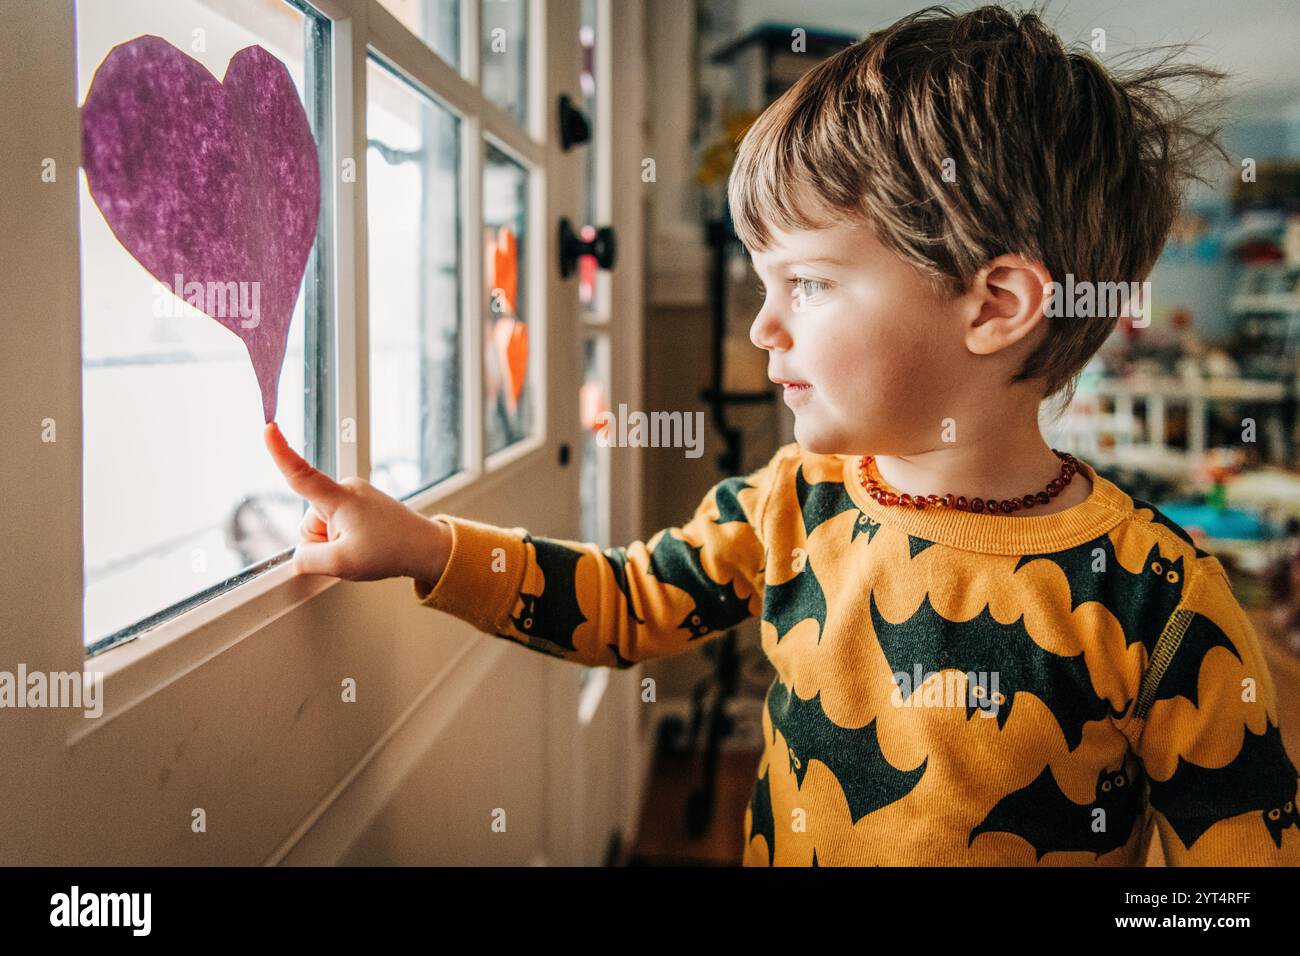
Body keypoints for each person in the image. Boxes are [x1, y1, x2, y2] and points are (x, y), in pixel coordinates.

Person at [264, 4, 1300, 865]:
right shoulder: (792, 500)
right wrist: (428, 548)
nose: (764, 325)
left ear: (994, 305)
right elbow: (625, 604)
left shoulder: (1161, 601)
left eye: (806, 282)